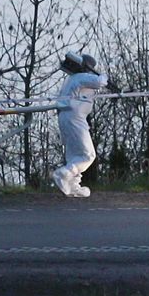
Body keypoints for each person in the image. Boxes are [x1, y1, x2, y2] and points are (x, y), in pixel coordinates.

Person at [51, 52, 113, 197]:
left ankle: (73, 186)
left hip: (65, 116)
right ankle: (64, 173)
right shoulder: (81, 77)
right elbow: (99, 82)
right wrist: (104, 76)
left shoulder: (70, 80)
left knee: (74, 154)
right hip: (74, 117)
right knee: (88, 154)